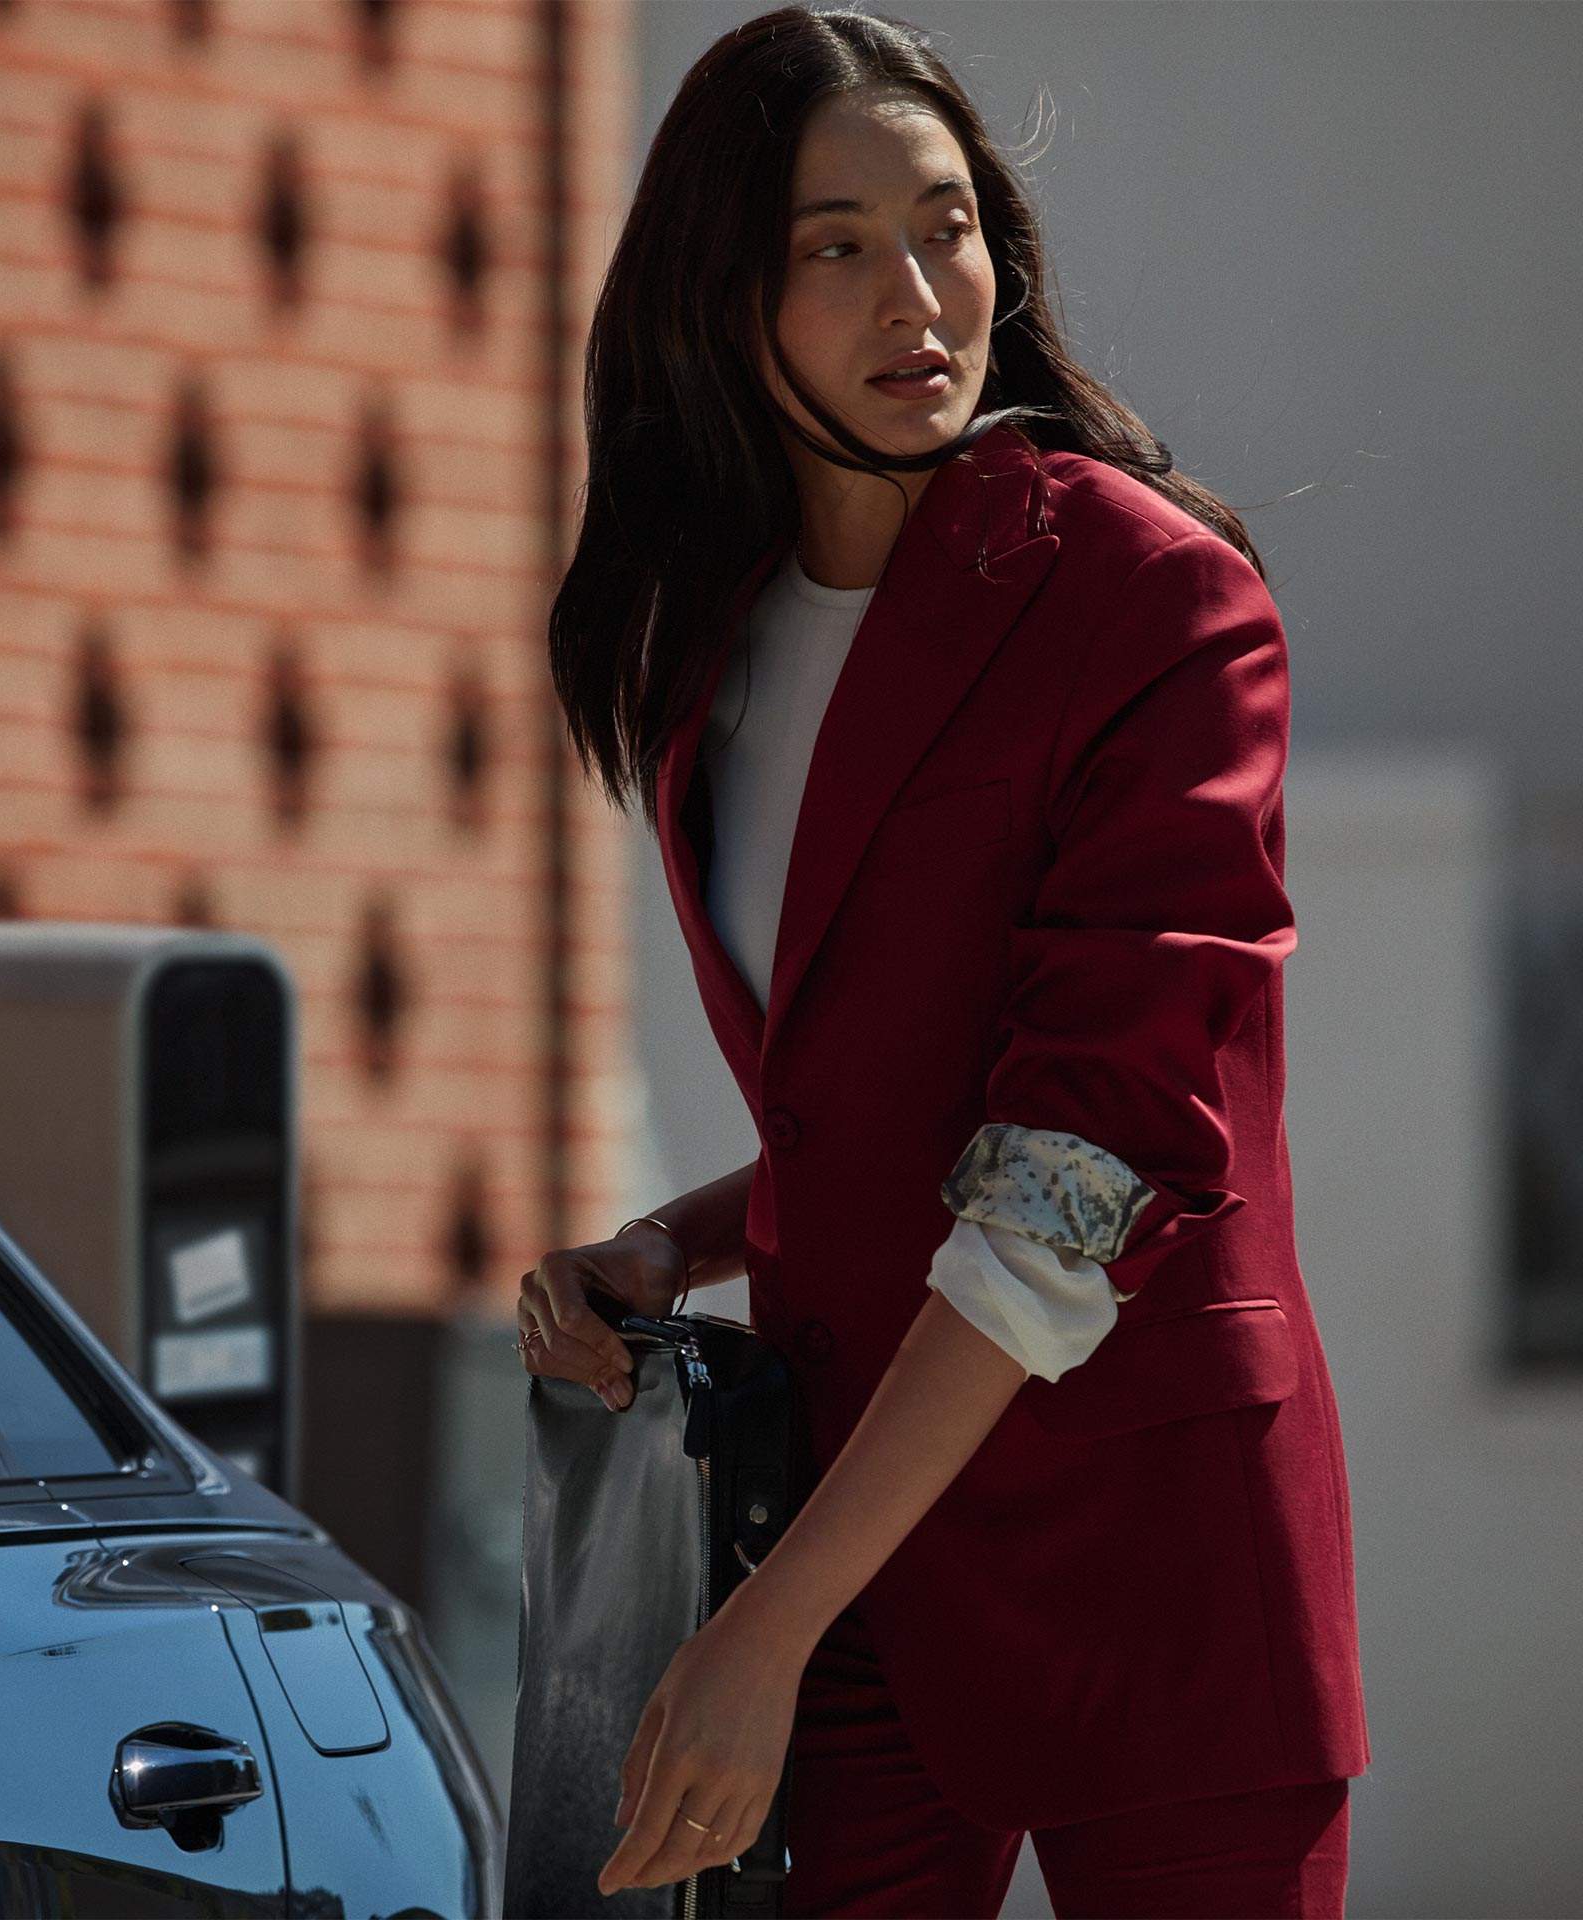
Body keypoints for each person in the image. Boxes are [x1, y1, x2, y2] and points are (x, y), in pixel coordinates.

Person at [517, 7, 1371, 1915]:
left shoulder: (1153, 598)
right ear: (717, 297)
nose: (919, 292)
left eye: (948, 222)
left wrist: (765, 1628)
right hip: (865, 1565)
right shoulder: (710, 649)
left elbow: (1082, 1156)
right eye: (834, 244)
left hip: (1154, 1570)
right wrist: (677, 1241)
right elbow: (891, 1096)